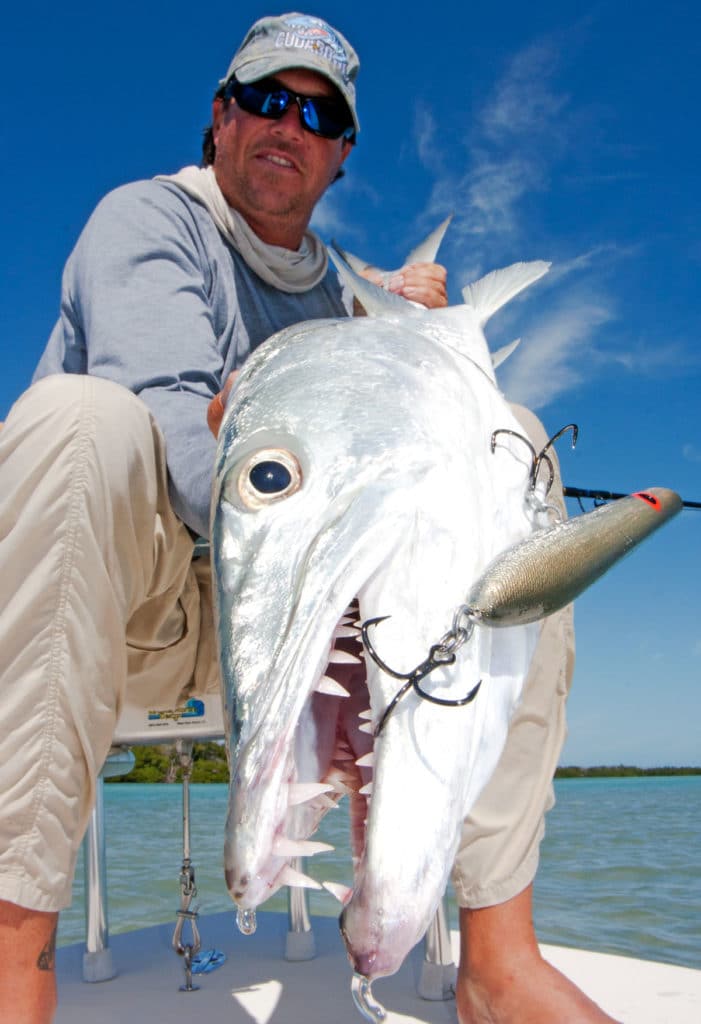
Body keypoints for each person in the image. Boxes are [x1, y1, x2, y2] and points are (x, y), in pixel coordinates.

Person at [0, 12, 617, 1024]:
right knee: (79, 422)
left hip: (303, 610)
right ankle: (13, 958)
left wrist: (406, 329)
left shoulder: (342, 291)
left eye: (317, 112)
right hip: (131, 615)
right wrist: (291, 461)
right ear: (219, 117)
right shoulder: (149, 220)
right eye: (262, 98)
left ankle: (498, 958)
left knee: (508, 448)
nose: (287, 122)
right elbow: (169, 424)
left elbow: (379, 357)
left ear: (338, 155)